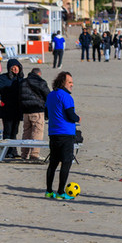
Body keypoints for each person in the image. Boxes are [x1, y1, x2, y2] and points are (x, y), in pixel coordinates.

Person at [45, 72, 80, 200]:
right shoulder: (66, 96)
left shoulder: (50, 95)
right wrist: (78, 118)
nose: (72, 85)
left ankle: (49, 191)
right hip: (65, 134)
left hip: (53, 133)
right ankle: (60, 192)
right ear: (62, 82)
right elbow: (71, 115)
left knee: (53, 163)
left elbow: (46, 114)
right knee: (66, 162)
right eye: (69, 82)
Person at [0, 58, 23, 158]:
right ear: (9, 69)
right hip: (7, 109)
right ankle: (6, 152)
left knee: (15, 132)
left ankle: (13, 151)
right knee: (7, 131)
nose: (15, 69)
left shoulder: (21, 79)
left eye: (16, 67)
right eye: (13, 68)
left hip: (17, 109)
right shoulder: (4, 78)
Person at [18, 67, 51, 161]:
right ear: (39, 74)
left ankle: (24, 154)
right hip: (37, 110)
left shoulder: (23, 82)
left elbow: (19, 96)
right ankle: (34, 154)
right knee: (37, 132)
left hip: (25, 111)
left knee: (26, 132)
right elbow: (48, 95)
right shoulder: (41, 82)